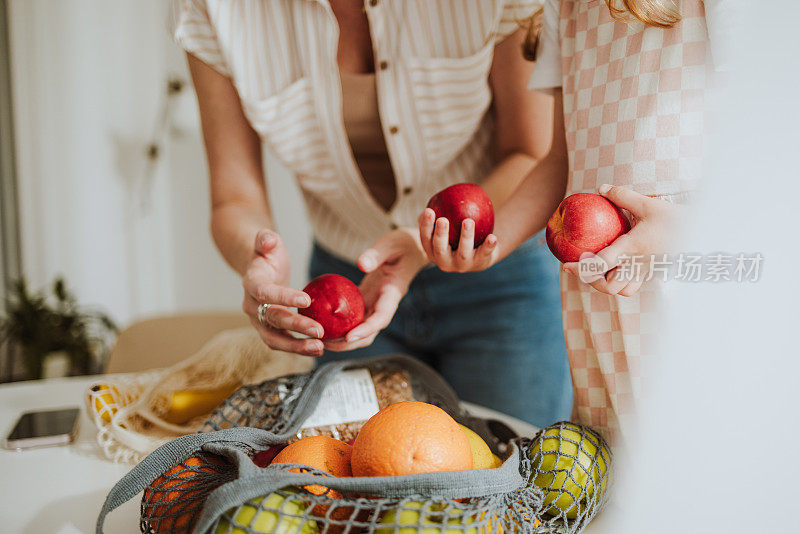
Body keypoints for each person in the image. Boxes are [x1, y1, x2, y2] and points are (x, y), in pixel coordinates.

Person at [171, 0, 572, 427]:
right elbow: (235, 196)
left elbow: (529, 153)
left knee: (516, 471)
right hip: (349, 289)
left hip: (500, 279)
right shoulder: (214, 9)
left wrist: (427, 242)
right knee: (358, 474)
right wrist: (257, 263)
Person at [419, 0, 732, 445]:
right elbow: (561, 162)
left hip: (695, 298)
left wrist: (692, 229)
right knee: (621, 476)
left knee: (702, 464)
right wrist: (489, 243)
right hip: (603, 313)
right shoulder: (565, 9)